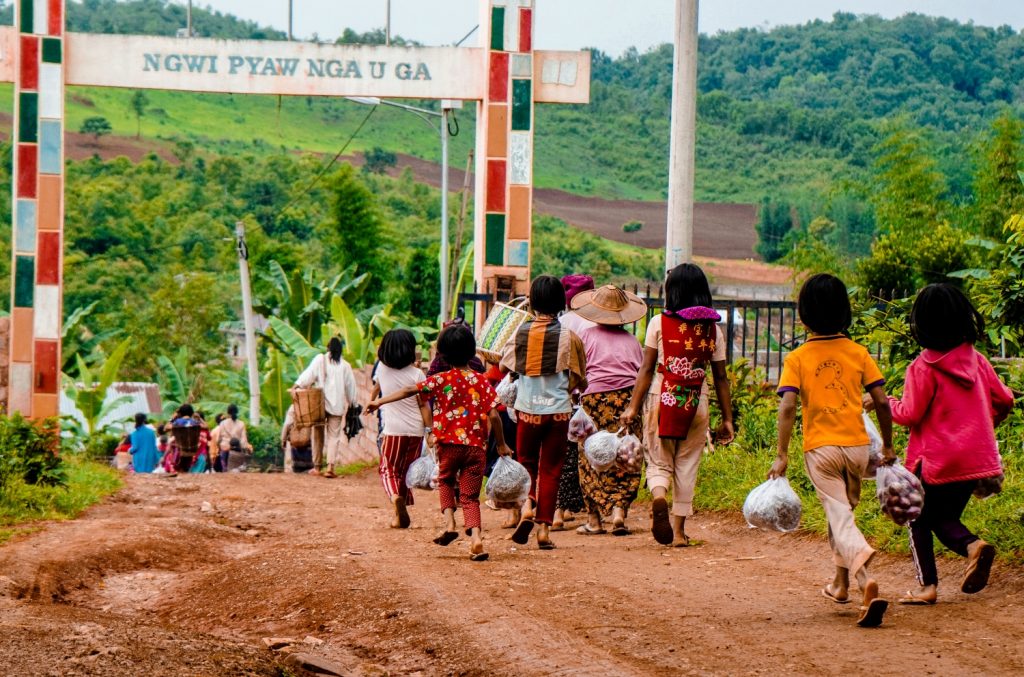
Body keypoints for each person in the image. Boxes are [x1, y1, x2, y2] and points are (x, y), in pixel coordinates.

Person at [866, 284, 1013, 605]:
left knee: (917, 517)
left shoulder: (923, 366)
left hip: (936, 462)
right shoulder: (978, 361)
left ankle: (928, 585)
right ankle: (973, 547)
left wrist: (884, 402)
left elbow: (910, 413)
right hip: (976, 460)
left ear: (921, 324)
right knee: (944, 519)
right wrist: (983, 428)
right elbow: (1005, 399)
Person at [768, 273, 893, 628]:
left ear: (803, 316)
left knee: (840, 517)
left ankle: (865, 577)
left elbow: (788, 406)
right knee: (840, 514)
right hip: (856, 450)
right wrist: (888, 444)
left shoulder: (798, 357)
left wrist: (781, 452)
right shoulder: (858, 352)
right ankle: (840, 585)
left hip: (820, 451)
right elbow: (882, 401)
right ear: (845, 313)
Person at [367, 323, 512, 561]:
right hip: (476, 448)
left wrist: (379, 402)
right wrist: (502, 445)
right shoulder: (481, 380)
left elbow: (408, 391)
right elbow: (495, 415)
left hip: (448, 446)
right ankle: (476, 538)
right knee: (470, 496)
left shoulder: (440, 379)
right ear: (471, 351)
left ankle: (450, 524)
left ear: (442, 353)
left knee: (445, 482)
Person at [621, 263, 734, 547]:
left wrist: (633, 407)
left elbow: (646, 369)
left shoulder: (659, 323)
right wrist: (728, 419)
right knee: (687, 463)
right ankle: (680, 531)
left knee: (659, 458)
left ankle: (659, 496)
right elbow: (720, 377)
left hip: (663, 394)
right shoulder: (713, 331)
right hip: (698, 399)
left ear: (673, 292)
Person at [501, 275, 588, 550]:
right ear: (561, 302)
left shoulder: (521, 333)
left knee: (527, 463)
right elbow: (580, 379)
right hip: (559, 414)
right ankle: (544, 531)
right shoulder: (569, 337)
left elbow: (505, 367)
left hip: (527, 412)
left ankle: (528, 504)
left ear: (533, 301)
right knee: (551, 470)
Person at [571, 285, 646, 536]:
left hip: (593, 401)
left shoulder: (586, 336)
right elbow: (640, 375)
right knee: (625, 455)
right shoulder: (633, 341)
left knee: (590, 457)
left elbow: (579, 373)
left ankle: (594, 520)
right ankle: (618, 512)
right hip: (626, 402)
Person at [549, 274, 596, 530]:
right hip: (590, 396)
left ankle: (559, 509)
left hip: (561, 396)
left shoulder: (560, 323)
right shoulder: (595, 323)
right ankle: (590, 509)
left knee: (563, 456)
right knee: (588, 456)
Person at [374, 328, 431, 529]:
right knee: (405, 472)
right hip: (415, 431)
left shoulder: (381, 369)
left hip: (393, 430)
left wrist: (373, 401)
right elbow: (424, 405)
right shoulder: (418, 374)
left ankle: (395, 498)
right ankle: (399, 516)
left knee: (388, 469)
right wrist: (429, 430)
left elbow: (378, 384)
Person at [294, 337, 358, 478]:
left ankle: (317, 467)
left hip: (319, 405)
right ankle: (330, 467)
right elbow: (351, 387)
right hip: (337, 407)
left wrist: (297, 385)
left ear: (328, 347)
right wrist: (354, 403)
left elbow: (308, 376)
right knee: (333, 437)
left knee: (317, 435)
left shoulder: (320, 360)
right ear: (340, 349)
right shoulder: (345, 366)